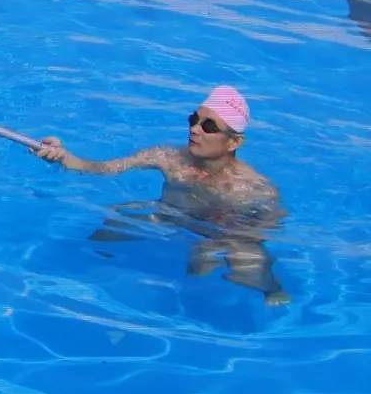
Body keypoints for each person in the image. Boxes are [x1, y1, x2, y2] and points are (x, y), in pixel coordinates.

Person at [36, 85, 290, 304]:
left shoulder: (250, 187)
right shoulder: (169, 158)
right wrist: (64, 156)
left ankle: (273, 291)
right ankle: (87, 268)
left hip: (218, 233)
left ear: (234, 143)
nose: (195, 130)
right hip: (169, 217)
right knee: (119, 216)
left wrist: (223, 241)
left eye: (209, 126)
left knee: (243, 266)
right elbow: (103, 168)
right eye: (194, 120)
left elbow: (269, 223)